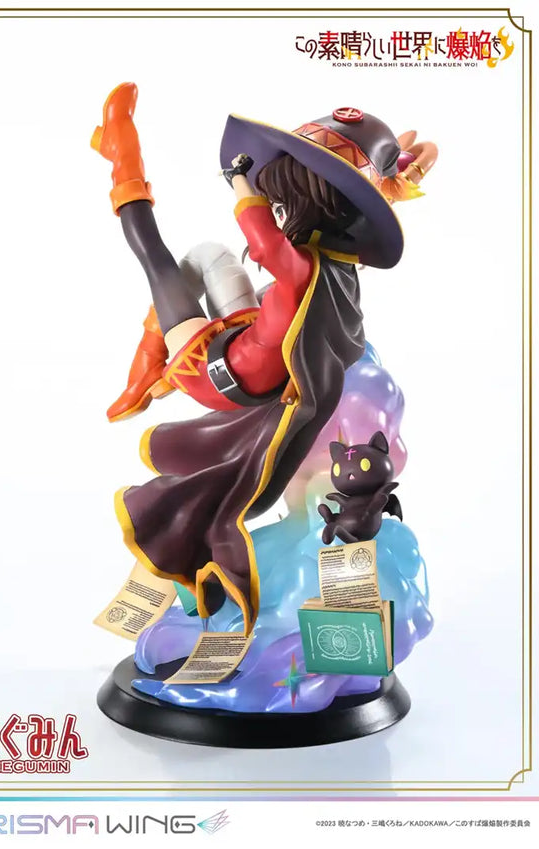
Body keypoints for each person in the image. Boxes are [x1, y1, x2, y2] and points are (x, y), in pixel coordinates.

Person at [91, 83, 437, 633]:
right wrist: (382, 188)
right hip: (254, 338)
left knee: (156, 258)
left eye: (284, 199)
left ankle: (121, 154)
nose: (278, 208)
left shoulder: (303, 263)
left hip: (217, 369)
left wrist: (240, 182)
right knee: (208, 256)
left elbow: (265, 239)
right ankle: (147, 370)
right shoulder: (336, 264)